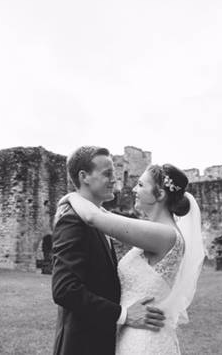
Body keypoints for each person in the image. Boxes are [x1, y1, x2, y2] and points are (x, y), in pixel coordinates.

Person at [59, 162, 205, 355]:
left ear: (159, 194)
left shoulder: (165, 235)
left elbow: (93, 218)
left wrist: (71, 197)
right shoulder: (157, 232)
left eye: (141, 185)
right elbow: (105, 215)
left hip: (146, 341)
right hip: (134, 333)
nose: (135, 189)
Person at [51, 146, 168, 355]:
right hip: (80, 346)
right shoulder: (72, 219)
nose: (115, 179)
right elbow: (65, 290)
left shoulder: (100, 218)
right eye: (107, 174)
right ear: (84, 176)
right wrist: (123, 314)